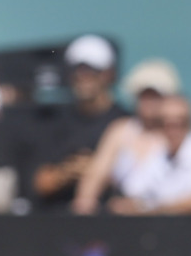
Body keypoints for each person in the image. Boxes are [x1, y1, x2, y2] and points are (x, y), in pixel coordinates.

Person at [25, 34, 128, 208]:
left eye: (92, 70)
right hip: (58, 224)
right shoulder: (54, 122)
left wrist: (97, 172)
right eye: (77, 69)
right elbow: (40, 183)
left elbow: (140, 185)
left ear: (109, 74)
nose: (83, 76)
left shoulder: (126, 122)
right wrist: (68, 172)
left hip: (111, 226)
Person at [71, 57, 181, 214]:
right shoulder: (120, 130)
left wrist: (145, 207)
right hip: (122, 219)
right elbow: (97, 174)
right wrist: (84, 203)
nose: (149, 102)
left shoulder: (175, 135)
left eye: (155, 96)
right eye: (144, 95)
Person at [77, 91, 191, 215]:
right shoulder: (158, 154)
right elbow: (135, 192)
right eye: (165, 123)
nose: (173, 129)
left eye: (180, 122)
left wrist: (156, 208)